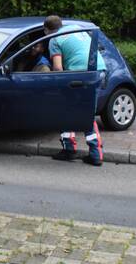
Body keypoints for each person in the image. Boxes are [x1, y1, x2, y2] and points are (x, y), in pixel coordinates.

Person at [45, 15, 106, 166]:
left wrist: (56, 84)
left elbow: (58, 68)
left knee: (67, 111)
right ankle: (95, 153)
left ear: (46, 30)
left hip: (81, 75)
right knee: (86, 112)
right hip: (100, 70)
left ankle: (70, 150)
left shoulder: (54, 39)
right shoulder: (77, 29)